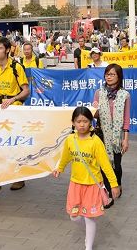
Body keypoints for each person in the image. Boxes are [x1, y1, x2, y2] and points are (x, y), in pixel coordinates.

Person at [53, 107, 120, 250]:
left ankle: (88, 246)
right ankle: (88, 232)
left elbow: (106, 165)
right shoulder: (70, 139)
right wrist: (60, 168)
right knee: (74, 217)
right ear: (73, 123)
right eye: (78, 121)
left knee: (90, 218)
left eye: (85, 121)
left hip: (92, 185)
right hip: (75, 184)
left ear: (91, 122)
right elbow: (66, 157)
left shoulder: (95, 142)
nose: (82, 124)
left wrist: (114, 184)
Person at [0, 37, 30, 198]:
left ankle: (19, 177)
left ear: (7, 50)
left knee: (11, 145)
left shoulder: (16, 67)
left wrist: (12, 99)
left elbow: (25, 91)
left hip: (14, 109)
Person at [92, 64, 130, 201]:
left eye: (112, 74)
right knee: (103, 163)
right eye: (107, 74)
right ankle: (107, 190)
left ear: (119, 77)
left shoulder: (124, 95)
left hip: (117, 136)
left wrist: (125, 139)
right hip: (101, 134)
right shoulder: (99, 93)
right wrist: (95, 109)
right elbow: (94, 116)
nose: (109, 77)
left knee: (117, 165)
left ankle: (117, 184)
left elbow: (126, 118)